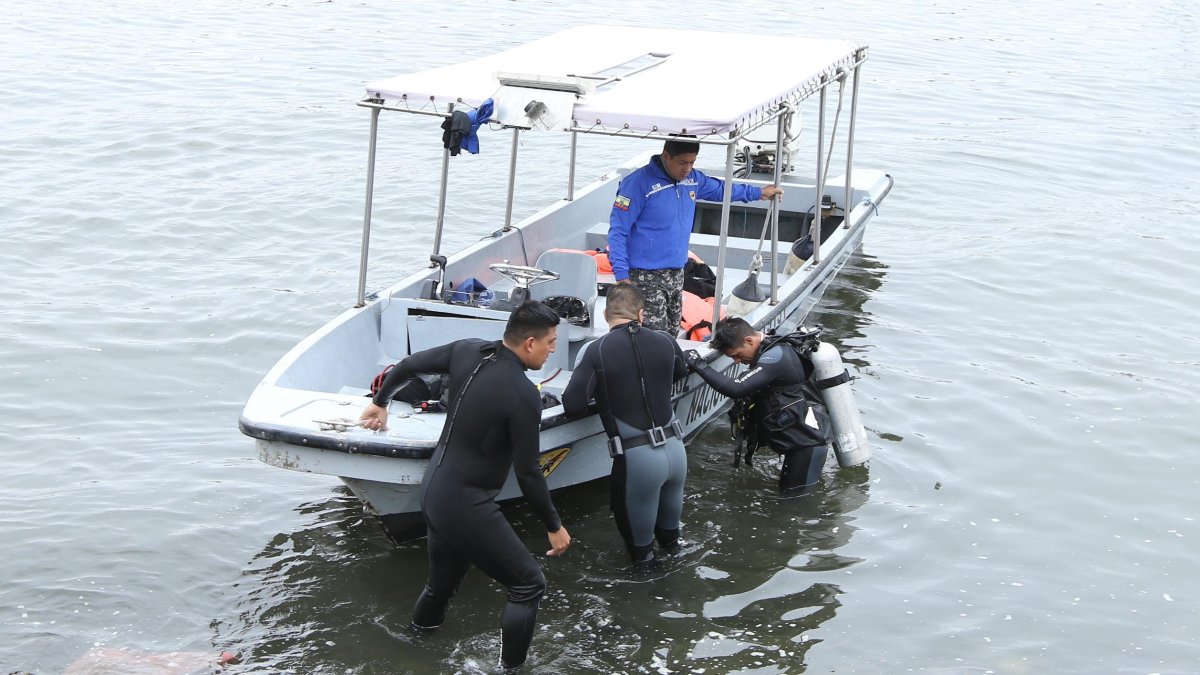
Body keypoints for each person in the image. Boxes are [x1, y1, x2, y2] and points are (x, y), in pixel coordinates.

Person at [359, 301, 571, 671]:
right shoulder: (523, 395)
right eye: (551, 342)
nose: (554, 349)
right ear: (530, 343)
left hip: (434, 492)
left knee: (442, 584)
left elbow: (408, 365)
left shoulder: (468, 350)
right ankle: (511, 670)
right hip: (466, 503)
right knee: (528, 584)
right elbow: (528, 473)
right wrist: (553, 526)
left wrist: (381, 403)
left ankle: (412, 646)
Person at [561, 284, 690, 568]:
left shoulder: (597, 350)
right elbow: (681, 371)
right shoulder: (666, 341)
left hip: (637, 460)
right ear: (641, 314)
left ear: (606, 314)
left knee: (642, 558)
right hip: (676, 450)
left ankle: (648, 602)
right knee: (673, 545)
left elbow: (573, 404)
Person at [608, 137, 784, 334]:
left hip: (677, 271)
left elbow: (722, 190)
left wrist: (758, 193)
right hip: (645, 275)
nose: (687, 169)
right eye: (683, 162)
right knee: (655, 334)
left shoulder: (692, 179)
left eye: (692, 163)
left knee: (672, 330)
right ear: (666, 156)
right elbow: (618, 231)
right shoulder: (637, 184)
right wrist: (622, 275)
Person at [684, 317, 831, 494]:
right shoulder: (770, 348)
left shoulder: (776, 357)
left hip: (807, 447)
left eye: (737, 355)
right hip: (799, 444)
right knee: (787, 499)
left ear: (749, 340)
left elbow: (736, 388)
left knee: (794, 504)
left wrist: (698, 364)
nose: (737, 361)